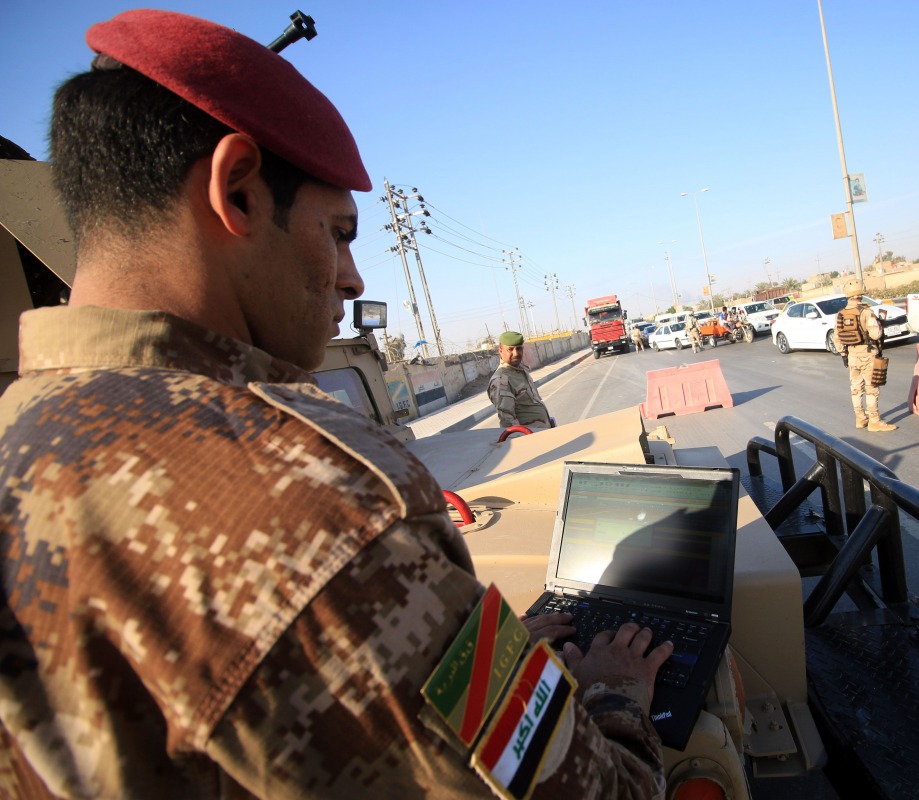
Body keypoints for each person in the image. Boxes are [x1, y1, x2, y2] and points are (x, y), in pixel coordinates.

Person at [0, 10, 670, 798]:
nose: (352, 277)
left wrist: (463, 647)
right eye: (341, 232)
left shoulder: (21, 430)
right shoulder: (323, 503)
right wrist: (614, 693)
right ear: (237, 191)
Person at [836, 279, 897, 432]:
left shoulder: (841, 314)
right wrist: (880, 325)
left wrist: (843, 354)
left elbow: (837, 337)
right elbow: (875, 334)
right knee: (872, 389)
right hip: (868, 354)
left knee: (856, 389)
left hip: (852, 356)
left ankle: (860, 418)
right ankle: (874, 421)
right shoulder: (866, 311)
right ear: (860, 293)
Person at [487, 331, 555, 429]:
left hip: (542, 432)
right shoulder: (501, 380)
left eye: (519, 348)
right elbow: (508, 422)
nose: (516, 353)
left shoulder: (521, 370)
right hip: (530, 436)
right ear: (500, 351)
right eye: (510, 349)